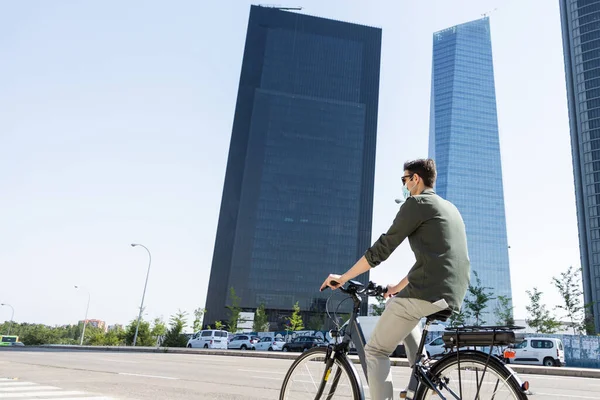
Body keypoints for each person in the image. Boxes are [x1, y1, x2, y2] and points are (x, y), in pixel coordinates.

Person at [320, 158, 470, 400]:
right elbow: (432, 260)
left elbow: (382, 249)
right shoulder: (450, 208)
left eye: (404, 180)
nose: (403, 185)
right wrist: (397, 287)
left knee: (376, 350)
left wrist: (343, 277)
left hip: (428, 290)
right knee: (395, 303)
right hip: (452, 291)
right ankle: (425, 370)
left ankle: (421, 369)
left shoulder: (417, 204)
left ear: (416, 179)